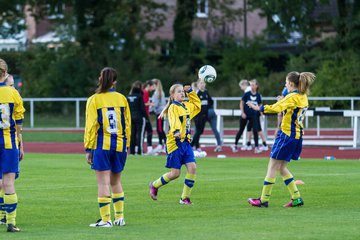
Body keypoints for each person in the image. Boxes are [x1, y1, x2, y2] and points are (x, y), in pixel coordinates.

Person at [247, 71, 315, 208]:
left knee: (272, 166)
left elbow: (275, 108)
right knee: (282, 168)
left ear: (290, 83)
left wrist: (257, 107)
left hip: (287, 135)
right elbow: (288, 108)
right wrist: (282, 101)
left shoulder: (292, 96)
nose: (285, 84)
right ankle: (296, 198)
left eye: (286, 82)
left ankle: (263, 200)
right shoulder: (303, 96)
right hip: (297, 136)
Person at [84, 67, 131, 227]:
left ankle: (106, 220)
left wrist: (88, 149)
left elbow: (91, 126)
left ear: (100, 79)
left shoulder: (94, 99)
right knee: (116, 182)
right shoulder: (122, 99)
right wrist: (127, 145)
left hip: (102, 146)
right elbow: (128, 125)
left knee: (103, 183)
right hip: (120, 145)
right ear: (114, 82)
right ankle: (120, 217)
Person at [149, 83, 201, 205]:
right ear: (172, 95)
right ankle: (155, 185)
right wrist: (177, 131)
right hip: (175, 143)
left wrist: (191, 92)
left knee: (192, 168)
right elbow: (174, 121)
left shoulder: (187, 106)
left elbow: (197, 105)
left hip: (186, 143)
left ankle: (184, 198)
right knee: (175, 173)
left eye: (183, 91)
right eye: (179, 91)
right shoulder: (173, 107)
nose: (182, 93)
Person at [0, 58, 25, 232]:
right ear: (5, 73)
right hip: (9, 143)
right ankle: (11, 223)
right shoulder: (13, 93)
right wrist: (20, 143)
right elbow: (19, 121)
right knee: (9, 183)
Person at [231, 79, 261, 153]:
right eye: (251, 85)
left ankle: (256, 147)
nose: (252, 86)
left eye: (253, 85)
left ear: (256, 86)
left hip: (253, 115)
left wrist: (260, 113)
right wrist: (242, 112)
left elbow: (259, 105)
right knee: (241, 130)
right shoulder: (247, 94)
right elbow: (241, 103)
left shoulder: (258, 95)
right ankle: (235, 145)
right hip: (245, 115)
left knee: (255, 130)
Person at [190, 79, 212, 152]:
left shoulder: (206, 92)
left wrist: (206, 109)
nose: (203, 84)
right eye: (201, 83)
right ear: (198, 84)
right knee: (198, 130)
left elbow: (210, 101)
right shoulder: (197, 93)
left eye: (204, 83)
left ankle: (193, 145)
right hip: (198, 115)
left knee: (200, 131)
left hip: (204, 115)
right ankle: (195, 146)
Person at [127, 81, 148, 155]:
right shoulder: (139, 96)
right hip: (139, 117)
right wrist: (146, 117)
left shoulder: (128, 97)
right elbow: (142, 108)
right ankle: (140, 152)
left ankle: (132, 152)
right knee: (140, 135)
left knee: (132, 134)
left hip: (131, 118)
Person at [151, 79, 167, 154]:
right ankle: (161, 144)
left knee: (160, 129)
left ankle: (165, 145)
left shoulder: (157, 93)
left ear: (155, 85)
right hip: (160, 112)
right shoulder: (160, 92)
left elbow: (155, 104)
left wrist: (151, 108)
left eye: (153, 85)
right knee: (159, 129)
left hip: (160, 113)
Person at [142, 80, 156, 155]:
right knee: (149, 131)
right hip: (144, 116)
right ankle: (149, 148)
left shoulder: (145, 92)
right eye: (153, 86)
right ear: (148, 85)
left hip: (146, 115)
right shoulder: (145, 92)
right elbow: (143, 104)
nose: (153, 88)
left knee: (147, 131)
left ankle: (148, 148)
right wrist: (150, 104)